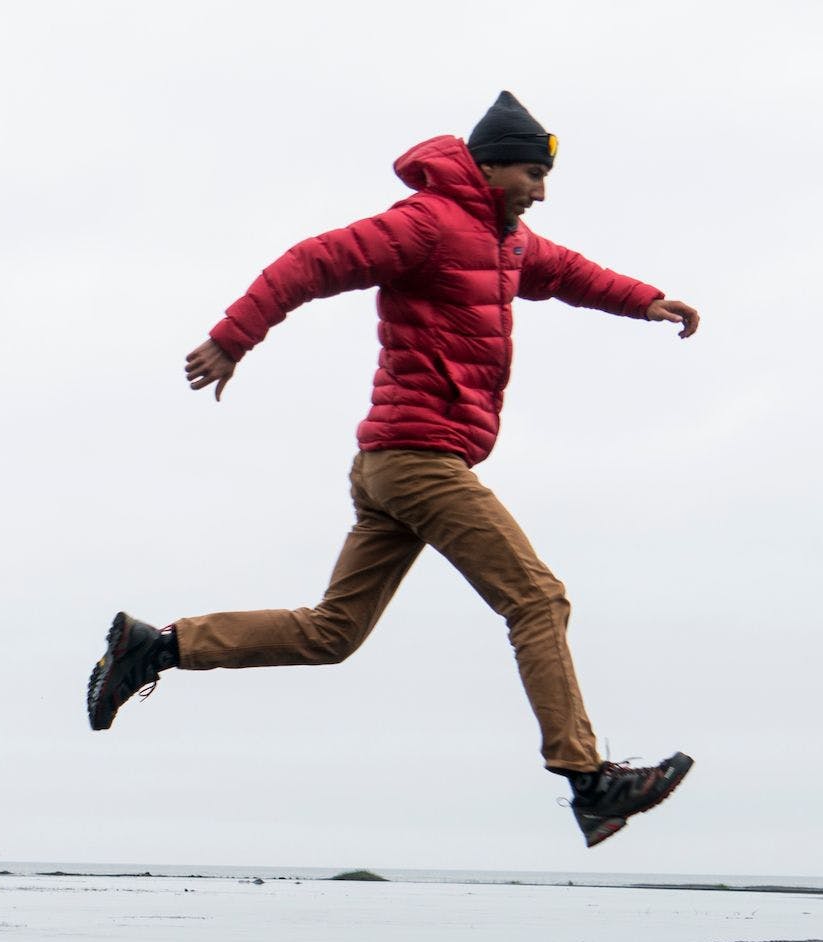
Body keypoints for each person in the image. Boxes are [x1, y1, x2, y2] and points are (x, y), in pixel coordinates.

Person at [85, 92, 697, 848]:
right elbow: (314, 261)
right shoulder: (427, 224)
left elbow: (567, 273)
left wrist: (646, 302)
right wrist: (232, 339)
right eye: (532, 174)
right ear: (491, 164)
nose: (540, 191)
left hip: (390, 465)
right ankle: (588, 781)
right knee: (538, 600)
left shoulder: (507, 242)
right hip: (418, 458)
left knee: (331, 632)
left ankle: (158, 646)